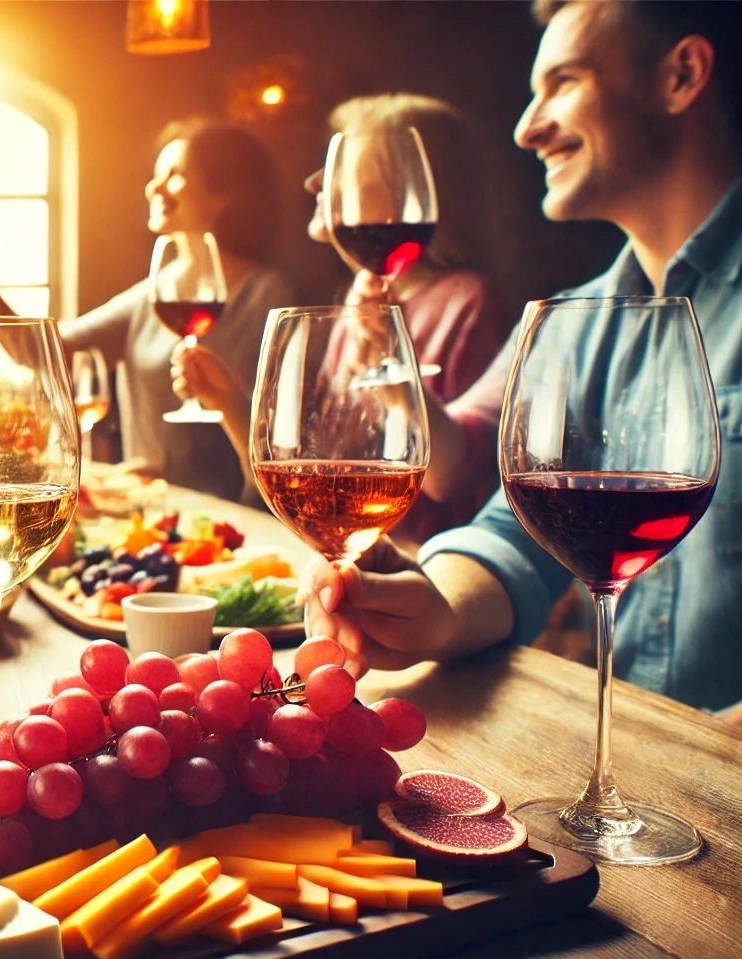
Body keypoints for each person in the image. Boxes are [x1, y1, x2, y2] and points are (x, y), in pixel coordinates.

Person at [306, 0, 742, 716]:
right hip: (628, 773)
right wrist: (436, 604)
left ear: (682, 76)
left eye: (563, 83)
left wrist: (707, 764)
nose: (526, 127)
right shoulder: (569, 323)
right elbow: (514, 531)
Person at [174, 94, 515, 538]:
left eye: (343, 165)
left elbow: (448, 481)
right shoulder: (354, 303)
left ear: (409, 189)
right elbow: (322, 468)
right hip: (353, 556)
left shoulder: (466, 301)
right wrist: (231, 407)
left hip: (423, 576)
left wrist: (392, 372)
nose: (315, 183)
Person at [0, 119, 297, 501]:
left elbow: (282, 432)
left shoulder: (266, 294)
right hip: (158, 512)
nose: (153, 187)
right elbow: (35, 350)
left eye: (174, 175)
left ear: (222, 193)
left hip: (243, 516)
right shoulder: (153, 296)